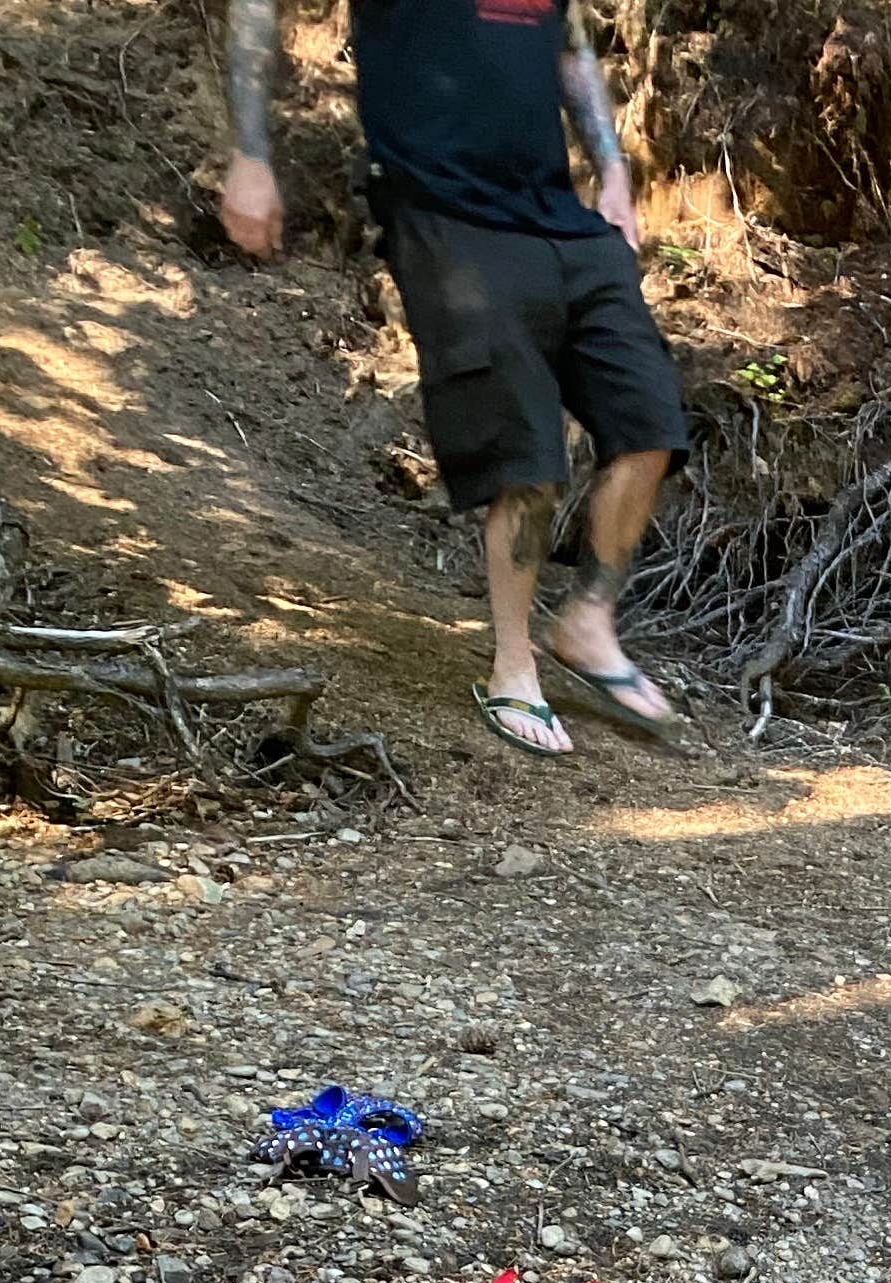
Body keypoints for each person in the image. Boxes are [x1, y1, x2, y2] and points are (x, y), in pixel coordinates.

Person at [218, 0, 690, 756]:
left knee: (651, 423)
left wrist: (610, 169)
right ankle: (513, 666)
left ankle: (588, 621)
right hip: (444, 212)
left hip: (558, 214)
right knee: (526, 452)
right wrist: (249, 154)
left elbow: (568, 45)